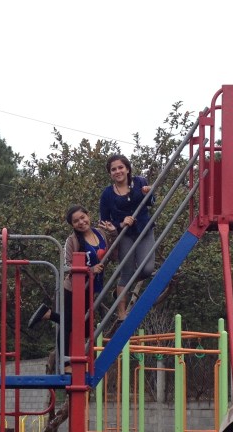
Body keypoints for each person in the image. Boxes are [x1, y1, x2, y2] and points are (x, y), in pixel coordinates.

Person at [27, 204, 116, 373]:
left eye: (83, 217)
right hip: (73, 289)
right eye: (76, 221)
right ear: (72, 225)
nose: (81, 222)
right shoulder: (72, 240)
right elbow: (67, 266)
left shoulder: (100, 233)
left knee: (84, 327)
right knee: (68, 325)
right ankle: (65, 364)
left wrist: (113, 232)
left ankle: (49, 314)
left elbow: (113, 254)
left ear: (88, 216)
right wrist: (90, 270)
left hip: (91, 287)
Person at [99, 154, 155, 320]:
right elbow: (104, 221)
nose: (118, 171)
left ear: (128, 169)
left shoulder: (140, 182)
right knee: (126, 272)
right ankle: (121, 313)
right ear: (110, 173)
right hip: (124, 234)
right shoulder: (108, 194)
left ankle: (121, 290)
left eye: (120, 167)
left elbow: (151, 202)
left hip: (144, 230)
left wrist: (149, 193)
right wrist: (120, 223)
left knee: (147, 269)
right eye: (113, 169)